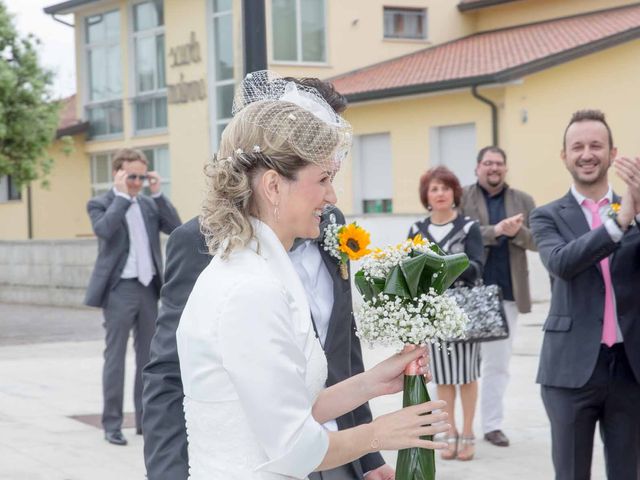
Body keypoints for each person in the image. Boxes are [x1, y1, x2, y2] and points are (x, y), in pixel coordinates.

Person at [142, 73, 425, 480]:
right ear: (274, 186)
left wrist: (372, 382)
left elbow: (287, 402)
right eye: (324, 179)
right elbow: (293, 449)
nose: (333, 196)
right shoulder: (251, 289)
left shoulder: (249, 265)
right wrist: (380, 434)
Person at [530, 109, 640, 480]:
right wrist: (620, 221)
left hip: (630, 368)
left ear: (613, 153)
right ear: (564, 156)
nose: (587, 153)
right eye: (577, 146)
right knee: (572, 473)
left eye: (596, 145)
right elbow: (561, 262)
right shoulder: (547, 216)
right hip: (569, 371)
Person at [84, 148, 181, 446]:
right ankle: (111, 424)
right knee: (115, 357)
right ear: (119, 174)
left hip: (149, 288)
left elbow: (176, 229)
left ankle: (145, 422)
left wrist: (158, 193)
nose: (137, 182)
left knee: (148, 360)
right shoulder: (100, 203)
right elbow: (104, 230)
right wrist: (122, 196)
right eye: (132, 176)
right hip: (119, 290)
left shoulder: (150, 205)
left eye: (142, 176)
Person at [461, 146, 537, 447]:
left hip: (506, 293)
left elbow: (539, 241)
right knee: (459, 366)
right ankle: (456, 428)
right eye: (488, 163)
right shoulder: (462, 197)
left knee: (498, 365)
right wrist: (496, 230)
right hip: (467, 293)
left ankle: (492, 425)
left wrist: (515, 232)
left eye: (499, 164)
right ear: (477, 167)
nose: (494, 168)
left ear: (505, 169)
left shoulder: (524, 201)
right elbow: (459, 233)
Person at [407, 166, 484, 461]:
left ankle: (467, 432)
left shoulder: (469, 227)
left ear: (455, 193)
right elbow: (409, 269)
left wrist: (441, 267)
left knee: (466, 375)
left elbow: (478, 266)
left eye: (445, 188)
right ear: (426, 195)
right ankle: (449, 433)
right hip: (432, 314)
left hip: (463, 312)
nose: (440, 193)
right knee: (443, 377)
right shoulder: (416, 230)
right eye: (434, 188)